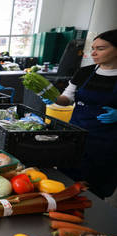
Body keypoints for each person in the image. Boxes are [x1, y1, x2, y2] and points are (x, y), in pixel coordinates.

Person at [44, 29, 117, 199]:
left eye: (101, 48)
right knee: (67, 182)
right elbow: (67, 98)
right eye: (93, 48)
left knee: (95, 189)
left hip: (107, 143)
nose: (93, 53)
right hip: (76, 136)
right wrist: (51, 97)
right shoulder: (84, 73)